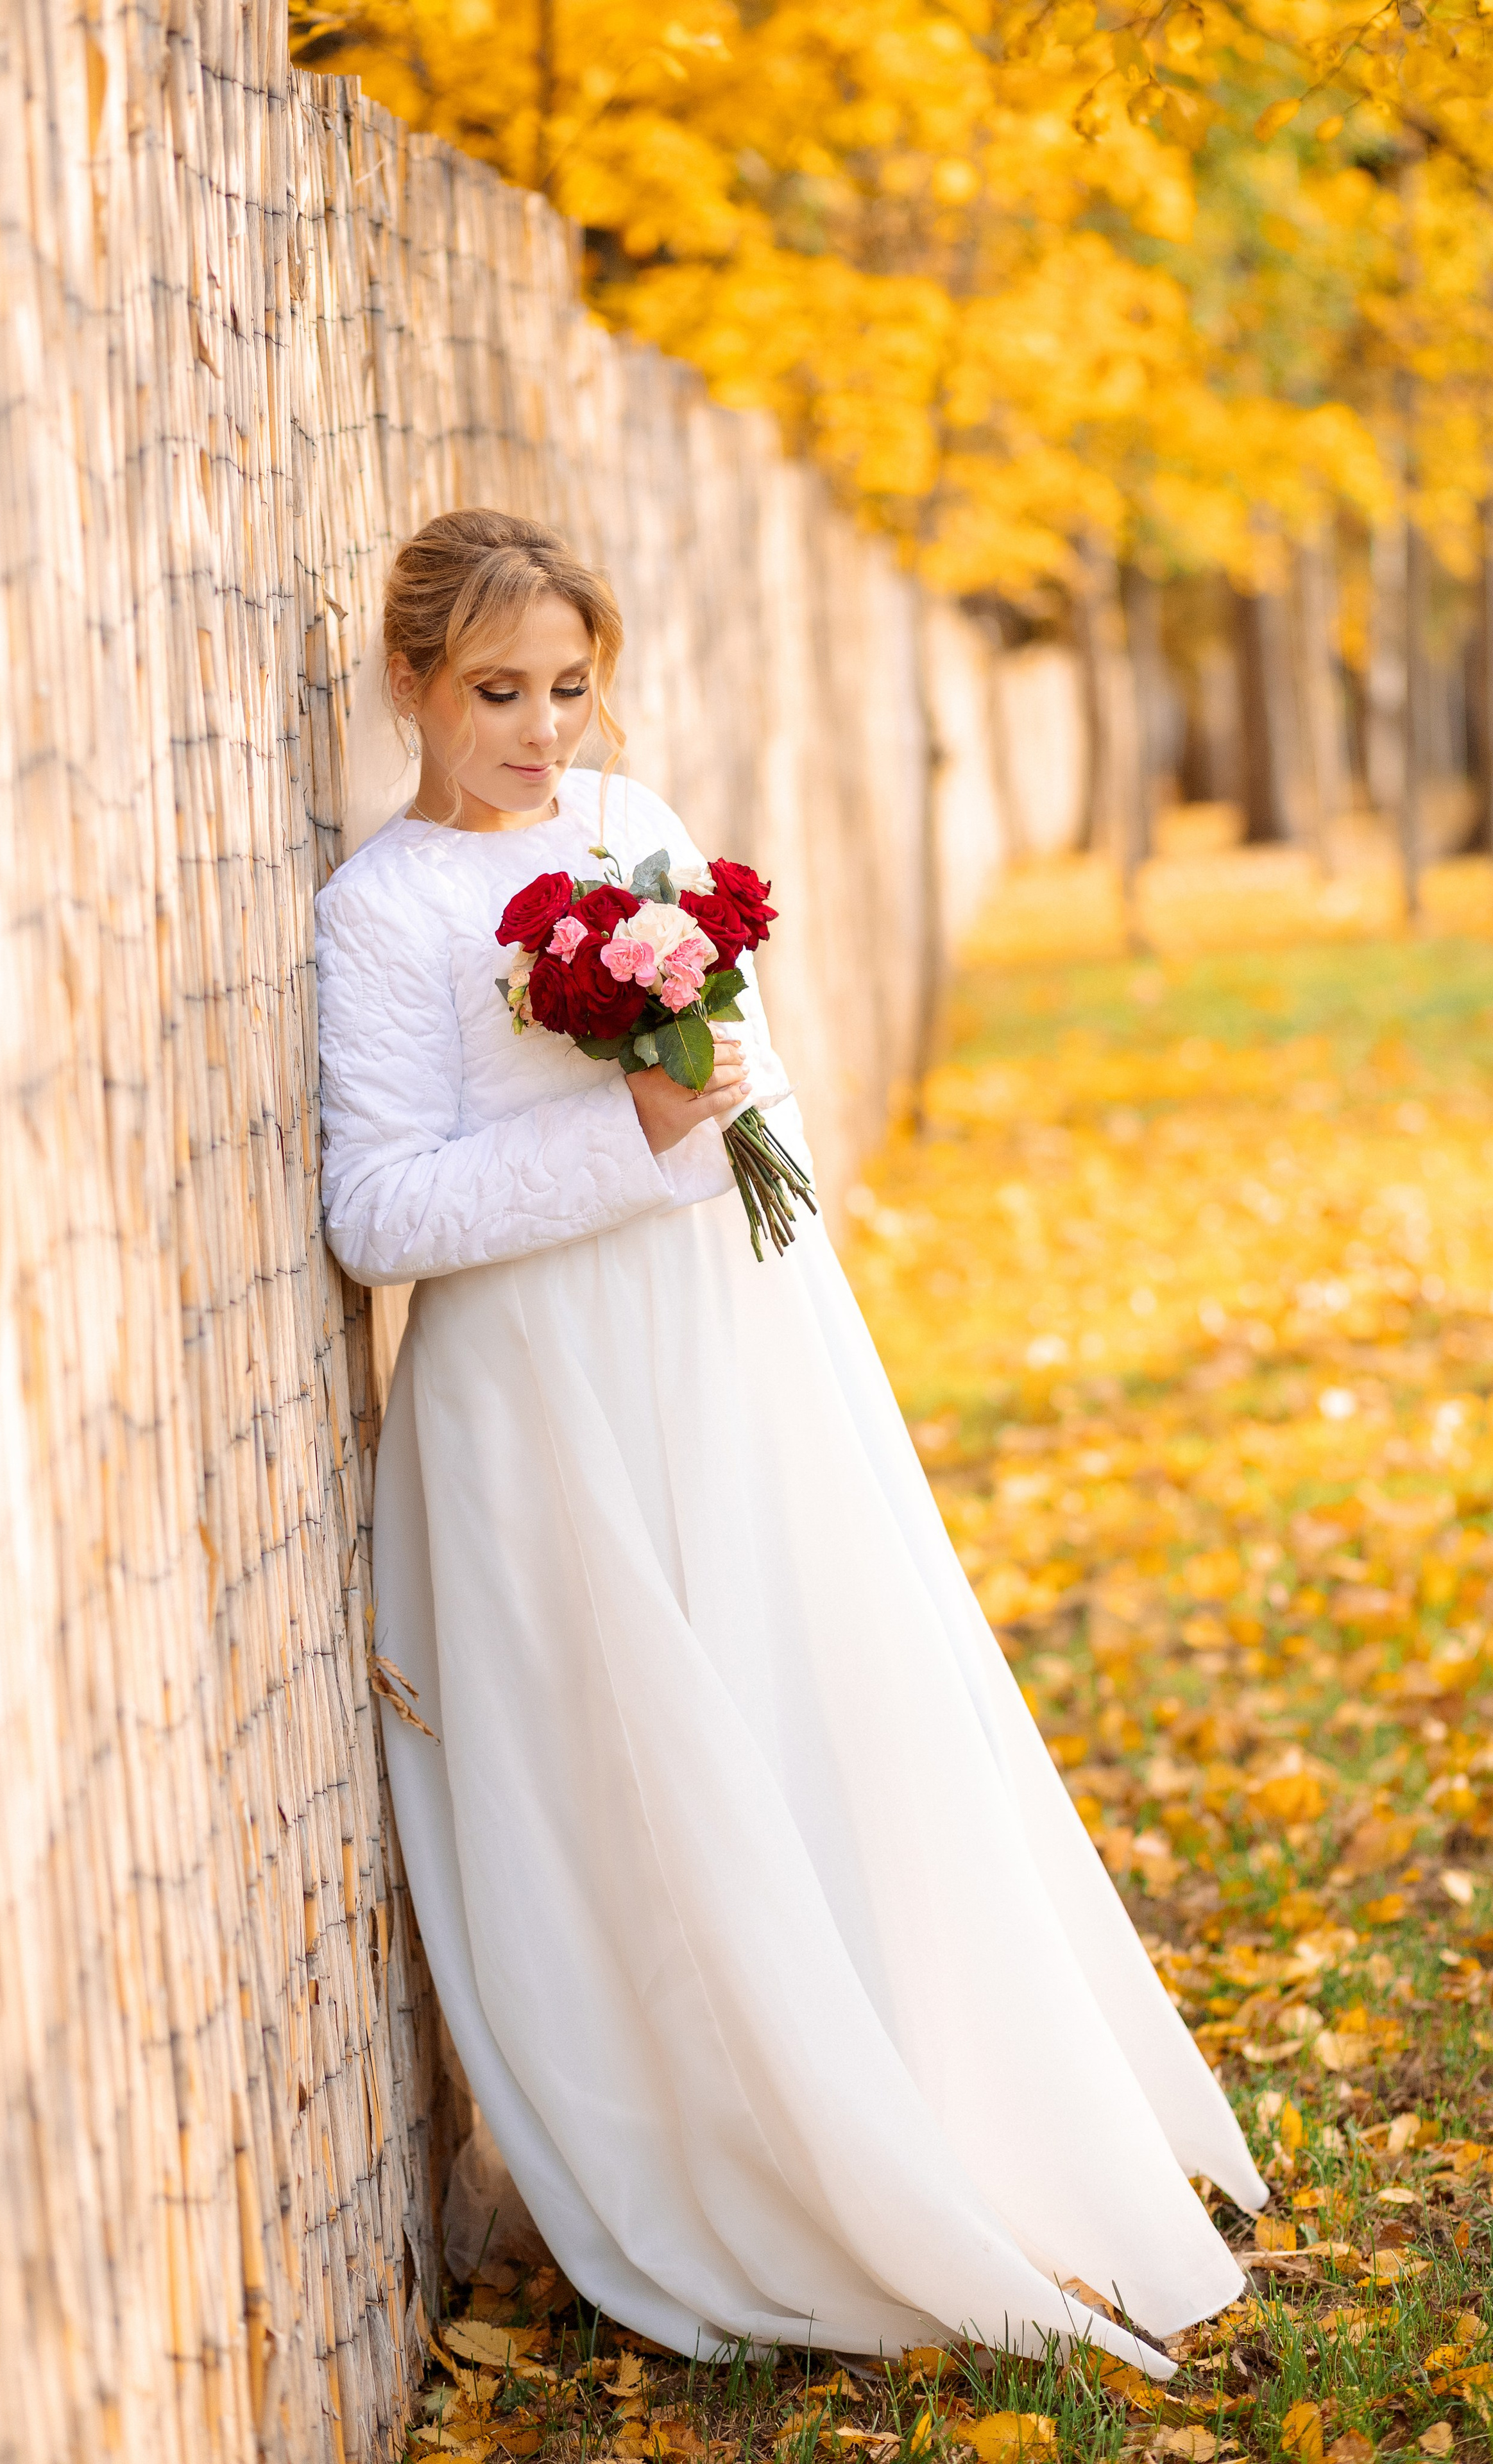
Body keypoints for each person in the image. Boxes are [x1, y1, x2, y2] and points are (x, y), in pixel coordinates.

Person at [313, 508, 1265, 2371]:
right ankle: (708, 2146)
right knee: (624, 1767)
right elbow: (378, 1213)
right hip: (537, 1399)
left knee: (791, 1706)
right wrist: (625, 1139)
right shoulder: (386, 907)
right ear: (409, 682)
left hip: (718, 1347)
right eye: (497, 692)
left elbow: (752, 1083)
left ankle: (907, 2092)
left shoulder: (633, 824)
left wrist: (754, 1207)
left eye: (569, 688)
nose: (542, 733)